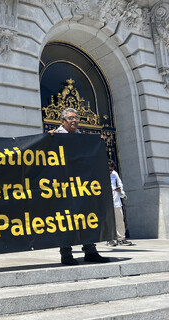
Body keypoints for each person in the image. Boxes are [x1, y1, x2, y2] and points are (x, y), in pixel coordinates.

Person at [49, 107, 111, 265]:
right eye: (71, 118)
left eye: (76, 118)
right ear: (63, 121)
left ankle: (90, 251)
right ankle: (66, 254)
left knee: (86, 216)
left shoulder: (81, 138)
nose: (75, 120)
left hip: (81, 186)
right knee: (65, 219)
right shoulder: (54, 136)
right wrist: (47, 139)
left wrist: (98, 142)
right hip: (62, 186)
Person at [108, 160, 132, 246]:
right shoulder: (101, 174)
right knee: (109, 222)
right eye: (109, 170)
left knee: (120, 221)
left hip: (116, 201)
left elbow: (120, 184)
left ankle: (121, 238)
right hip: (107, 203)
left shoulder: (115, 174)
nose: (111, 171)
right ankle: (109, 239)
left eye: (111, 169)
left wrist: (120, 190)